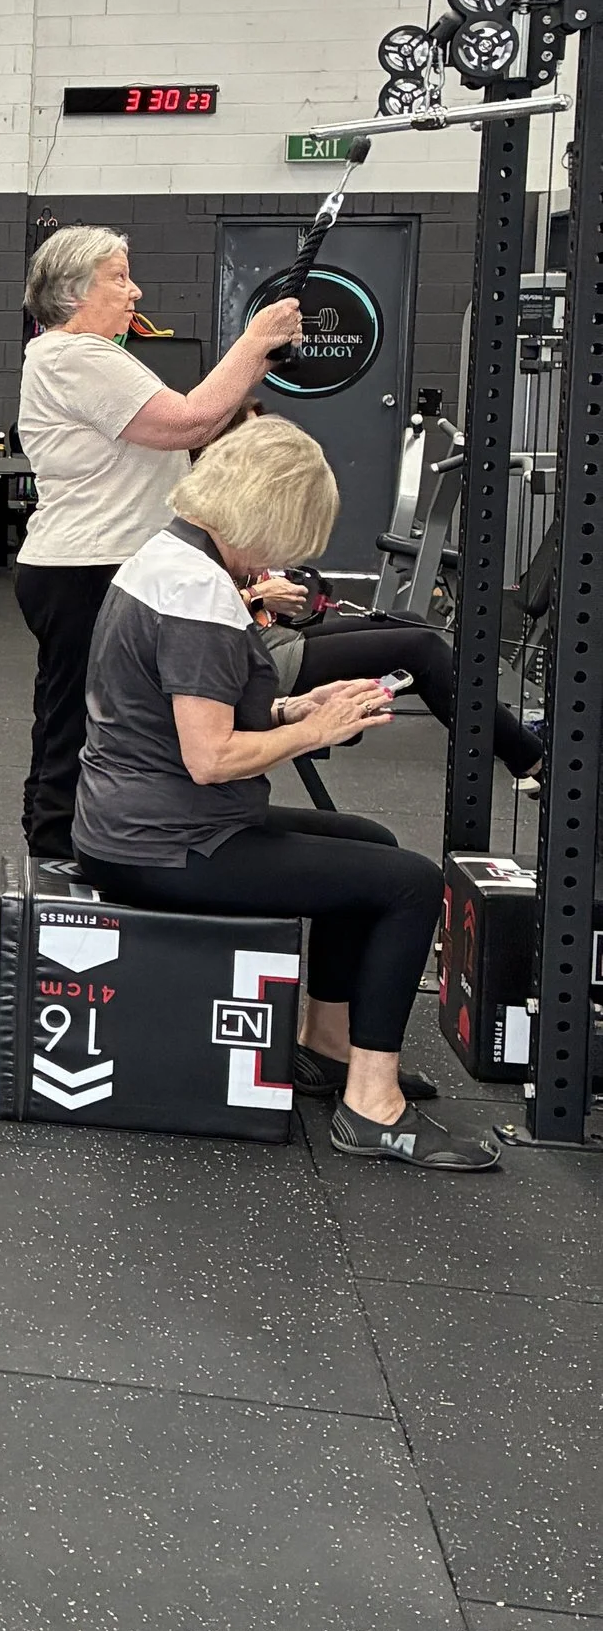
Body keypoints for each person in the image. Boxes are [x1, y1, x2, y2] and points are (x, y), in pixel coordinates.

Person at [72, 414, 497, 1172]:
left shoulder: (170, 555)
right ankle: (373, 1107)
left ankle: (328, 1049)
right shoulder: (198, 591)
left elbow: (185, 712)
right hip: (166, 842)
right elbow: (210, 756)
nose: (286, 556)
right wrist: (314, 729)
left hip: (145, 817)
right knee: (409, 885)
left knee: (369, 844)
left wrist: (295, 708)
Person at [15, 225, 305, 861]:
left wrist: (258, 358)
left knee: (94, 713)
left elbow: (199, 417)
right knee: (78, 717)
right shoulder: (76, 356)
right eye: (118, 277)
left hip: (97, 562)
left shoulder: (86, 356)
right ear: (72, 292)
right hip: (85, 565)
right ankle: (57, 853)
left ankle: (70, 840)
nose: (134, 289)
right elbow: (190, 421)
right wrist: (254, 339)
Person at [241, 567, 542, 781]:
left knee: (411, 624)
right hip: (258, 661)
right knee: (421, 652)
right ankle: (534, 761)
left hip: (270, 638)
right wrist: (256, 595)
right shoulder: (196, 529)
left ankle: (513, 737)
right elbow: (198, 610)